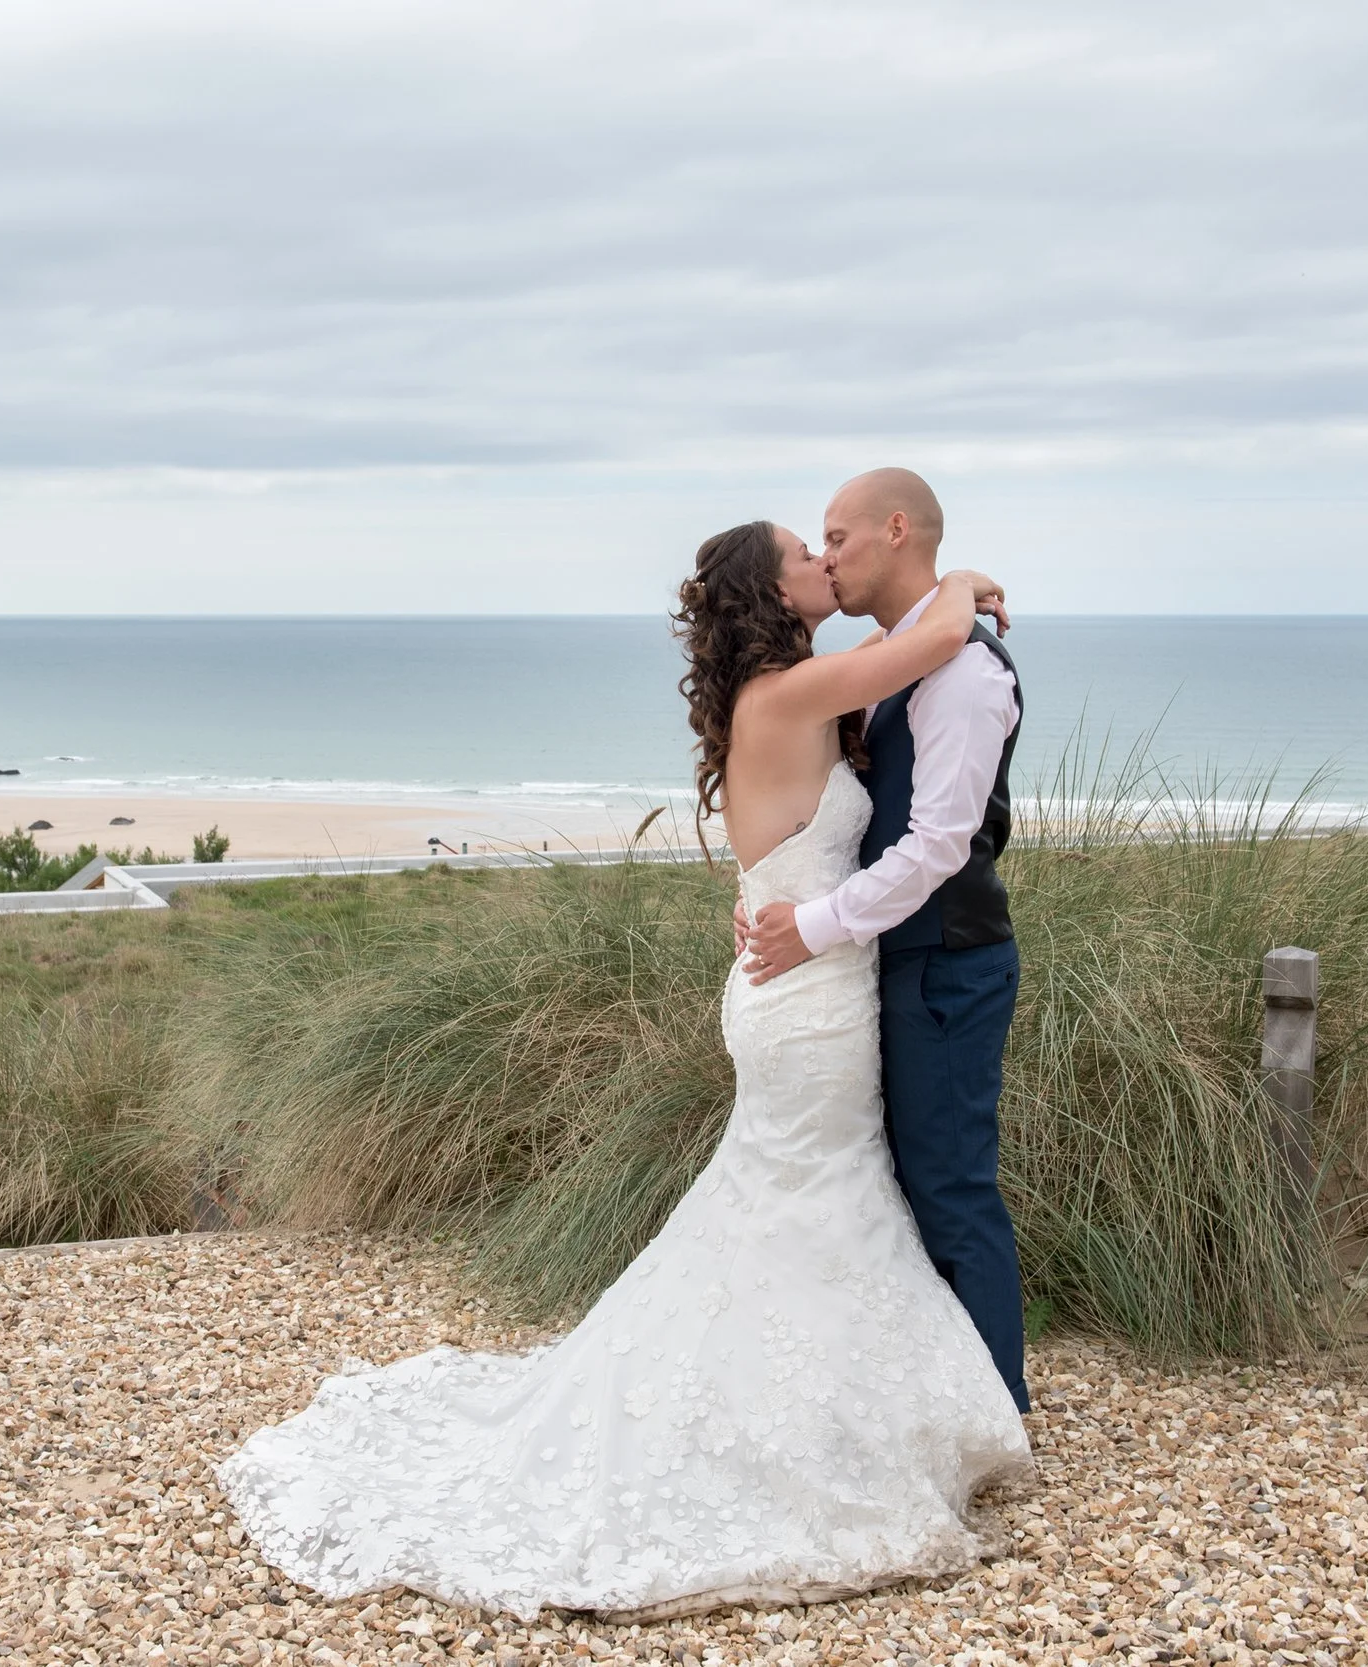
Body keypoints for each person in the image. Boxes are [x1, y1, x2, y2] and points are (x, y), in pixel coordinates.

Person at [216, 510, 1030, 1621]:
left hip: (798, 978)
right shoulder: (790, 695)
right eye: (807, 550)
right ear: (769, 590)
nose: (823, 560)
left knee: (799, 1195)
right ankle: (822, 1420)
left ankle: (830, 1407)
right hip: (805, 995)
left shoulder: (788, 697)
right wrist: (965, 582)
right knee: (806, 1193)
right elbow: (931, 647)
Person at [739, 468, 1032, 1414]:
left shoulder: (965, 670)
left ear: (895, 530)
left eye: (837, 536)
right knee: (896, 1190)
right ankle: (918, 1403)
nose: (826, 556)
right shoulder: (893, 657)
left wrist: (813, 925)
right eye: (811, 547)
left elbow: (940, 844)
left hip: (946, 960)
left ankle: (994, 1413)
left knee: (949, 1189)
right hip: (875, 969)